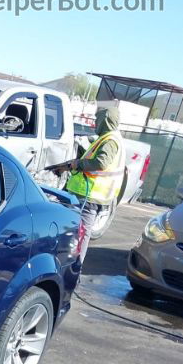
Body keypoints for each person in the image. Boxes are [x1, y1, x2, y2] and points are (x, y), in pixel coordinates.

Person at [50, 106, 126, 260]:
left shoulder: (110, 140)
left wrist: (77, 164)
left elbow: (101, 163)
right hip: (86, 195)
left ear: (105, 120)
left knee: (81, 234)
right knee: (74, 231)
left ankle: (74, 267)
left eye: (97, 119)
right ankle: (68, 264)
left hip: (89, 196)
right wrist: (69, 165)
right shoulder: (107, 138)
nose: (95, 123)